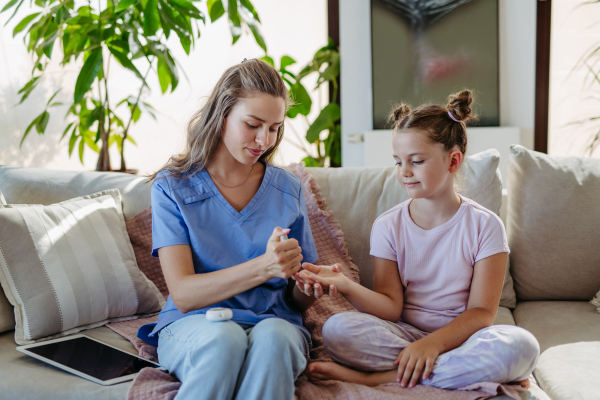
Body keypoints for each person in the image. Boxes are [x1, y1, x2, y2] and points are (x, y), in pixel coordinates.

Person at [293, 90, 540, 390]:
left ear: (453, 161)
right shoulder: (387, 226)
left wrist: (433, 345)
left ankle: (385, 377)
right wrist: (344, 284)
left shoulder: (486, 226)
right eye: (398, 162)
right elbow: (390, 307)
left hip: (463, 339)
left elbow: (481, 315)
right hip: (403, 336)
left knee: (523, 347)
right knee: (337, 329)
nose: (405, 171)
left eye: (417, 161)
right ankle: (457, 373)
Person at [137, 59, 333, 400]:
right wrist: (264, 266)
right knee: (223, 338)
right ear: (223, 114)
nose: (263, 140)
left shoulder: (288, 189)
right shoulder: (172, 186)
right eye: (253, 124)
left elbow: (294, 301)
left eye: (274, 128)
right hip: (195, 323)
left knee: (274, 338)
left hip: (275, 323)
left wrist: (310, 285)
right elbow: (183, 294)